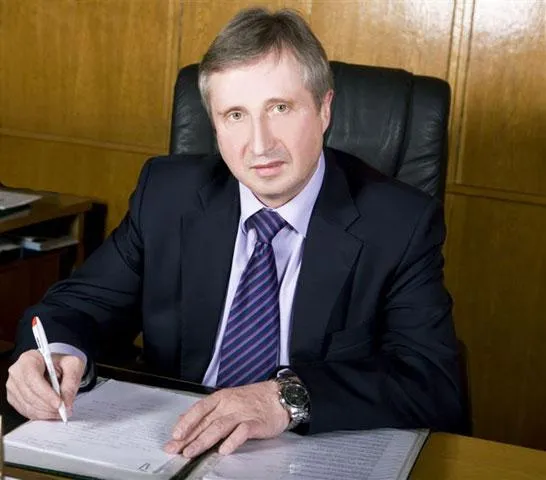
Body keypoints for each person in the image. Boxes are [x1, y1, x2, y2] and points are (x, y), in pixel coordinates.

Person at [6, 7, 463, 458]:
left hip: (308, 451)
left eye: (280, 108)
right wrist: (53, 356)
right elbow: (78, 306)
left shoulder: (399, 222)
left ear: (324, 109)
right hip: (171, 441)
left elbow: (432, 381)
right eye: (235, 115)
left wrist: (285, 399)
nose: (260, 145)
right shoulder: (168, 195)